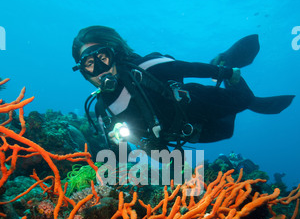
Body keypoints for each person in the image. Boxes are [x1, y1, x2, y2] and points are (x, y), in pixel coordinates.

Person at [72, 26, 295, 152]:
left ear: (115, 53)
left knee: (244, 99)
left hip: (198, 101)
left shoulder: (145, 68)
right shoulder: (102, 109)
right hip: (185, 132)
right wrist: (117, 143)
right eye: (89, 65)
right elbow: (117, 154)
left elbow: (188, 68)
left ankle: (225, 60)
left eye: (103, 58)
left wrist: (223, 72)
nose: (99, 69)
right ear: (83, 72)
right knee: (226, 132)